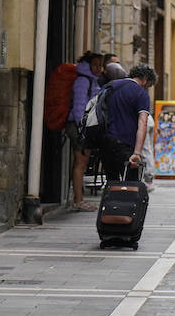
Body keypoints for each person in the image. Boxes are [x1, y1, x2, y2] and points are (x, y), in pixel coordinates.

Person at [94, 64, 157, 180]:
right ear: (145, 80)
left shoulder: (111, 86)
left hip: (106, 141)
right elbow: (143, 123)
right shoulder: (141, 94)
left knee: (111, 181)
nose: (147, 89)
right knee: (131, 183)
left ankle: (111, 198)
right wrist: (137, 153)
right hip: (126, 143)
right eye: (148, 86)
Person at [65, 51, 104, 210]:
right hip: (79, 126)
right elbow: (79, 107)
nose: (98, 68)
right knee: (80, 162)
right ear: (88, 65)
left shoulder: (90, 80)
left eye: (100, 65)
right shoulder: (83, 81)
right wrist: (83, 130)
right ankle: (78, 201)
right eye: (95, 65)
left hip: (81, 126)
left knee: (81, 162)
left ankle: (78, 199)